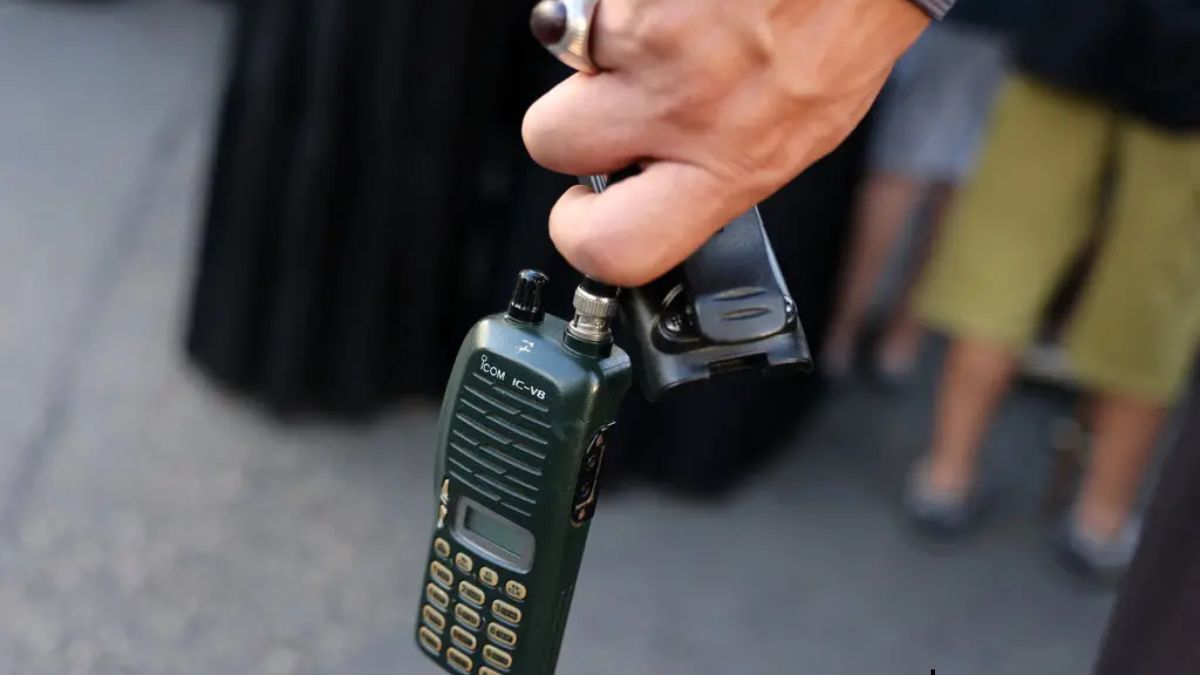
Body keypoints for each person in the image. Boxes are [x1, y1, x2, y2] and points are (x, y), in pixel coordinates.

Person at [906, 4, 1200, 581]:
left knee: (1004, 253)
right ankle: (1102, 518)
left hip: (1074, 32)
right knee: (1155, 285)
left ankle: (946, 475)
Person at [822, 1, 1021, 381]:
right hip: (1014, 28)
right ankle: (900, 336)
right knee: (957, 178)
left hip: (950, 18)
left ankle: (842, 334)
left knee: (903, 170)